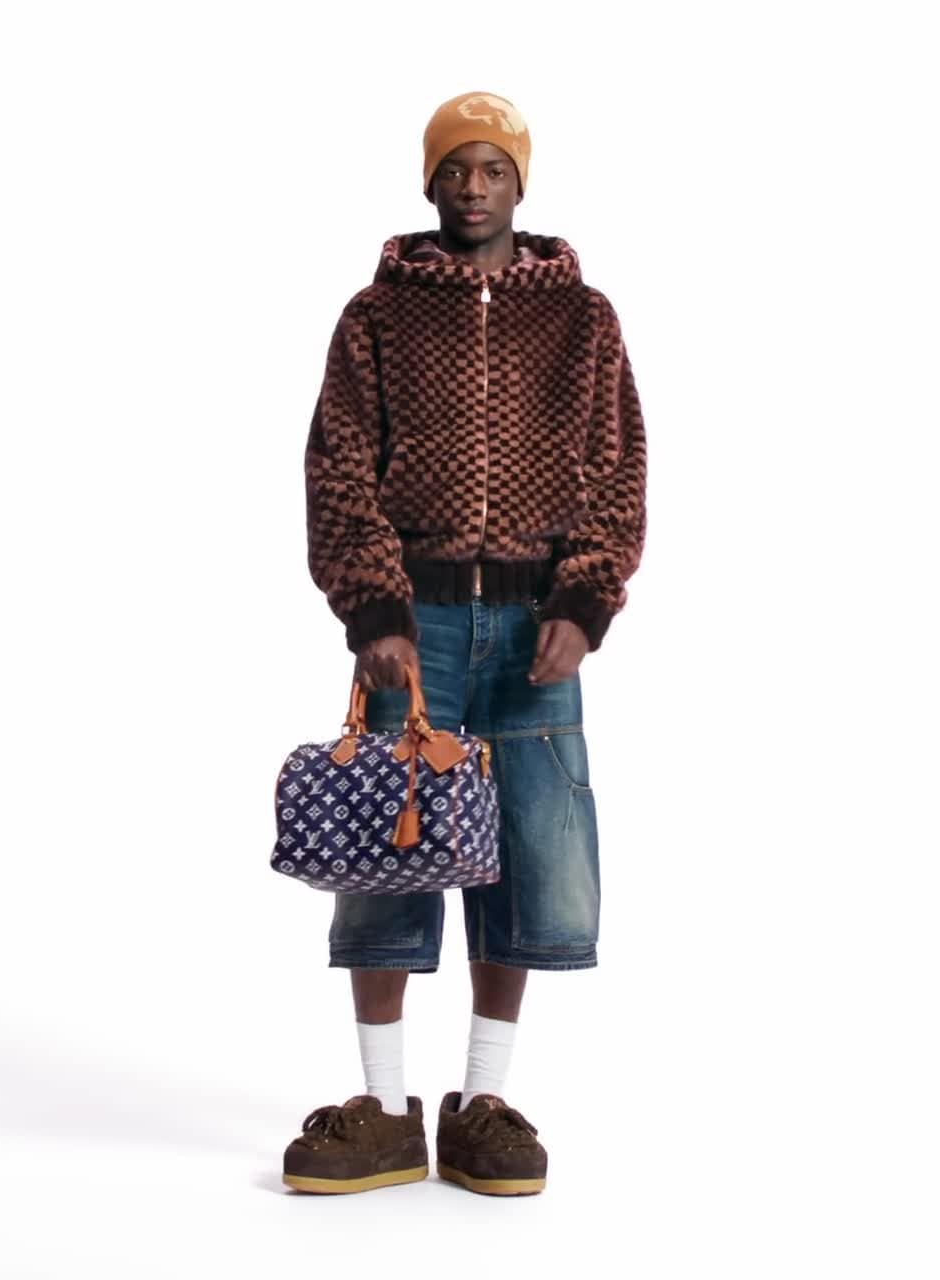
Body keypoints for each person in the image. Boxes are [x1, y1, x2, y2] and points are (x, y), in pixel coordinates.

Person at [283, 90, 648, 1196]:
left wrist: (582, 603)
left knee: (527, 848)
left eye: (493, 168)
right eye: (455, 168)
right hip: (417, 626)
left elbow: (617, 469)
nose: (473, 187)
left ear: (519, 181)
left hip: (537, 629)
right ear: (429, 180)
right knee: (387, 843)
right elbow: (340, 465)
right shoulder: (376, 316)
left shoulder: (583, 320)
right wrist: (375, 611)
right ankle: (387, 1107)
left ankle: (482, 1101)